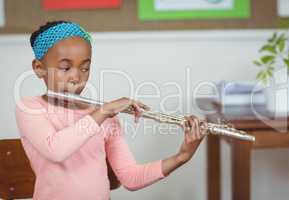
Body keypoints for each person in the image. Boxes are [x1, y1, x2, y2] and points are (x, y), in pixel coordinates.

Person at [15, 21, 208, 200]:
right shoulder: (30, 108)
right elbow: (56, 150)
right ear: (39, 68)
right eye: (65, 68)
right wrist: (104, 111)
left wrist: (182, 156)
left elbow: (131, 178)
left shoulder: (105, 117)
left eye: (84, 68)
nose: (76, 77)